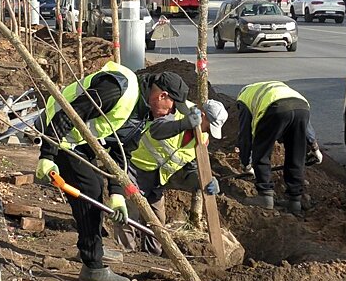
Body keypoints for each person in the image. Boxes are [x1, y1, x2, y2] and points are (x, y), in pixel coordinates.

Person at [34, 61, 190, 281]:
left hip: (83, 141)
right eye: (172, 107)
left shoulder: (143, 114)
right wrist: (47, 154)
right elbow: (71, 112)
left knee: (96, 185)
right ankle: (92, 266)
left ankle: (92, 245)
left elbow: (121, 151)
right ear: (162, 95)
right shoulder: (118, 90)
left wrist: (117, 194)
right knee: (90, 189)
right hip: (59, 134)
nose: (172, 113)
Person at [114, 99, 228, 256]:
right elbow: (156, 129)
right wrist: (184, 123)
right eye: (208, 126)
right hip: (133, 167)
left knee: (157, 224)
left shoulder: (202, 139)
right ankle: (124, 257)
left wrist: (204, 181)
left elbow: (191, 170)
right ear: (202, 115)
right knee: (129, 216)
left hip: (157, 181)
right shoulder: (175, 112)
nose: (207, 131)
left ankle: (151, 260)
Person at [236, 81, 322, 214]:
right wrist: (315, 147)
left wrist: (246, 164)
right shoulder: (273, 89)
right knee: (296, 154)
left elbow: (245, 136)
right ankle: (294, 201)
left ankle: (265, 196)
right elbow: (307, 126)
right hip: (302, 107)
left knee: (262, 152)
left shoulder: (243, 100)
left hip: (275, 109)